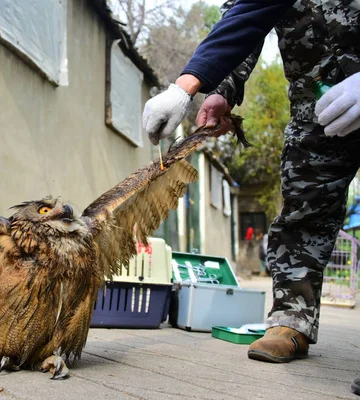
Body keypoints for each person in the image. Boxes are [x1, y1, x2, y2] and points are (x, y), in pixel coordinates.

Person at [141, 0, 360, 395]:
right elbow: (248, 18)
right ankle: (291, 320)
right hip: (317, 105)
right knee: (301, 210)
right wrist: (200, 86)